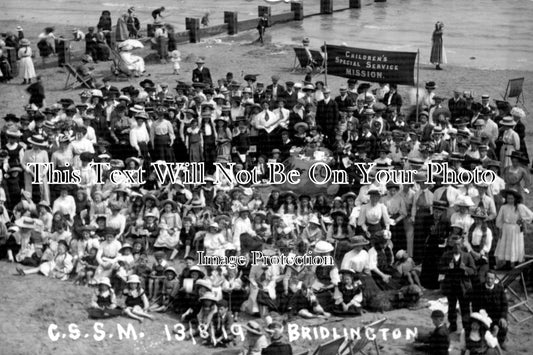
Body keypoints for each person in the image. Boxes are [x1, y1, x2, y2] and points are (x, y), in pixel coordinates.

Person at [438, 235, 477, 332]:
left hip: (463, 286)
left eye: (459, 244)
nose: (457, 247)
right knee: (451, 307)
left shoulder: (467, 256)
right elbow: (439, 268)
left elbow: (474, 271)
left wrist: (465, 269)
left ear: (462, 244)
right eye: (455, 245)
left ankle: (466, 327)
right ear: (451, 244)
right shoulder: (446, 255)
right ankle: (453, 325)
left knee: (465, 308)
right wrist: (448, 268)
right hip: (451, 286)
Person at [469, 270, 508, 349]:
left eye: (492, 278)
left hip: (497, 317)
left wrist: (503, 317)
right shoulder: (478, 288)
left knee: (504, 326)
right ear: (485, 278)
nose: (489, 280)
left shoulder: (500, 289)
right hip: (484, 317)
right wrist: (481, 318)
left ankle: (501, 342)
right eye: (488, 278)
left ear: (495, 279)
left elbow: (505, 304)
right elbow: (474, 305)